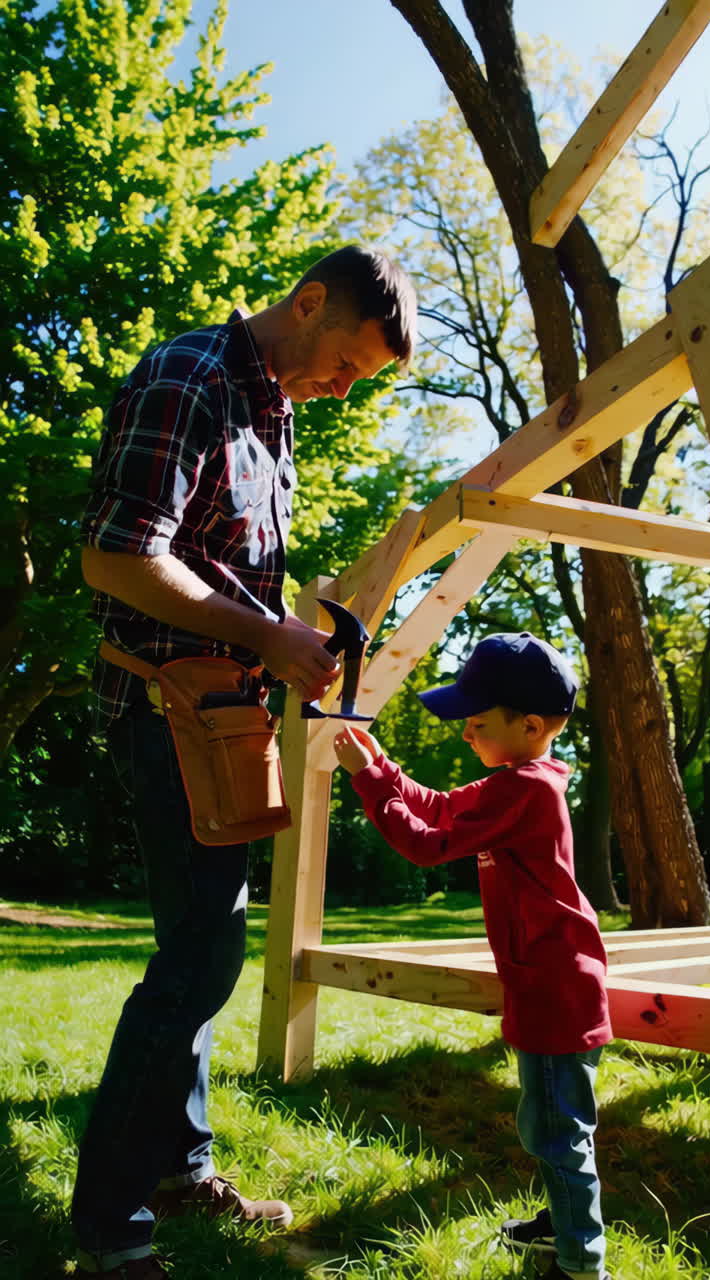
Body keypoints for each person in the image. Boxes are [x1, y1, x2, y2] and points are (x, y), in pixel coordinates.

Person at [74, 245, 417, 1279]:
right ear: (307, 303)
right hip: (164, 704)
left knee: (200, 946)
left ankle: (177, 1169)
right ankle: (109, 1224)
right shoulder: (191, 377)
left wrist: (290, 636)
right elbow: (117, 552)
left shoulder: (276, 411)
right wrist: (265, 637)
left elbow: (214, 563)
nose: (344, 387)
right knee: (200, 960)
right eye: (348, 362)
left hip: (227, 715)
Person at [333, 631, 613, 1280]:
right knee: (548, 1126)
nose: (465, 734)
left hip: (554, 992)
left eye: (477, 723)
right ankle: (559, 1228)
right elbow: (441, 810)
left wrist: (370, 783)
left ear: (531, 725)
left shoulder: (527, 791)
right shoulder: (517, 782)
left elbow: (426, 845)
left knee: (558, 1134)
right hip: (545, 982)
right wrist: (385, 768)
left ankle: (581, 1264)